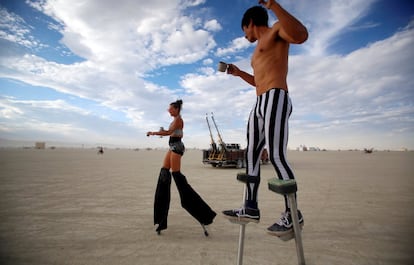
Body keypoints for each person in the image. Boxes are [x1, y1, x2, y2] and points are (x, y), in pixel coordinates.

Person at [222, 0, 308, 236]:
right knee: (251, 152)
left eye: (244, 30)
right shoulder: (257, 51)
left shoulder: (277, 30)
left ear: (250, 23)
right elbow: (258, 82)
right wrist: (239, 73)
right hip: (260, 101)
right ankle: (250, 207)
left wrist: (272, 4)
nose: (245, 35)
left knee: (277, 154)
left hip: (276, 96)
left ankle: (293, 214)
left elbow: (301, 35)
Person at [147, 100, 216, 235]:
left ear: (177, 109)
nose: (169, 110)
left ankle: (203, 215)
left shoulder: (179, 120)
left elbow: (169, 133)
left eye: (171, 108)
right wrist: (161, 132)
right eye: (169, 108)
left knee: (178, 178)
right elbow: (169, 133)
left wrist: (154, 133)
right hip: (172, 146)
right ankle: (161, 219)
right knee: (164, 174)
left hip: (177, 147)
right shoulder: (174, 120)